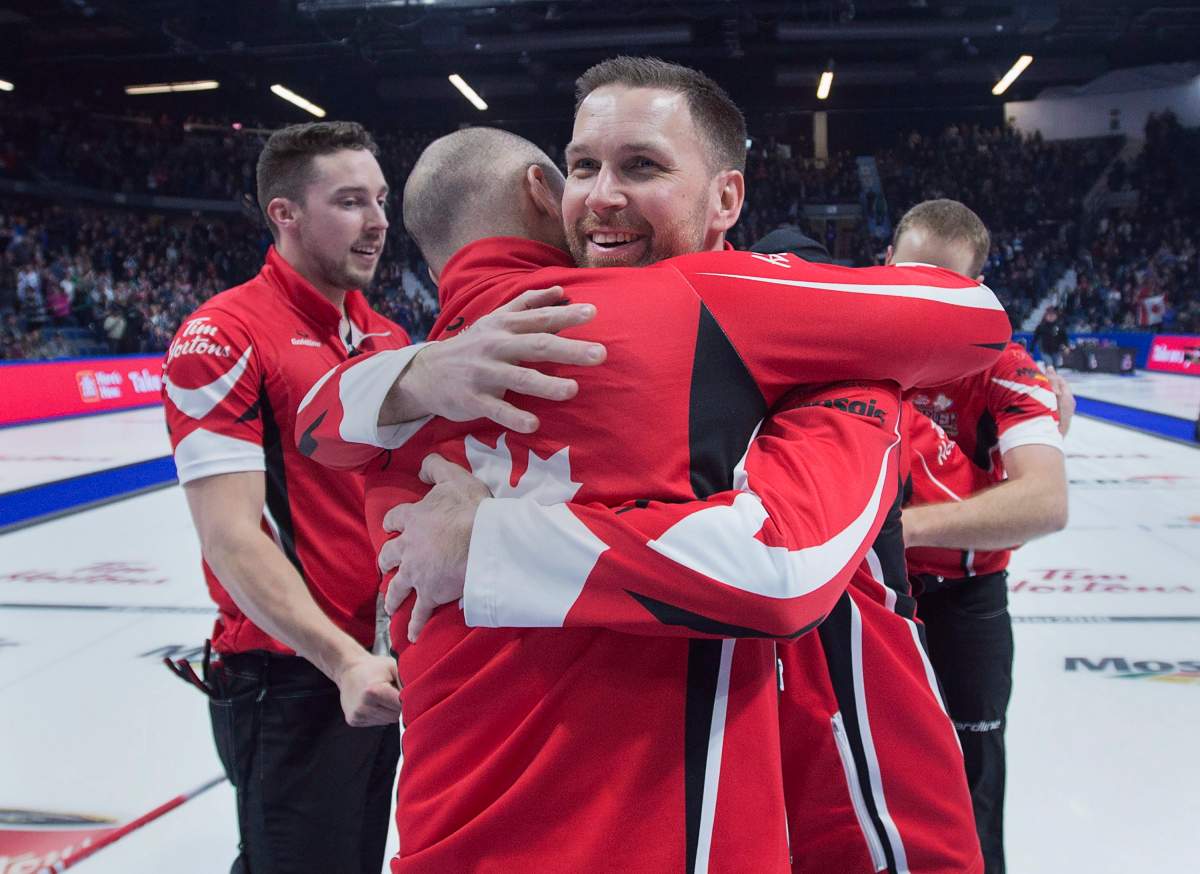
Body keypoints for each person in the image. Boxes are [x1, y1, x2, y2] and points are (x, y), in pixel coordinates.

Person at [299, 59, 1005, 873]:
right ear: (545, 189)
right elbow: (975, 322)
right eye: (585, 166)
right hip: (739, 823)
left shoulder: (402, 397)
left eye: (642, 166)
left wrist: (486, 533)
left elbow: (313, 424)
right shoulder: (490, 355)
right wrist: (417, 373)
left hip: (460, 833)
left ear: (726, 199)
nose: (601, 195)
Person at [162, 120, 605, 873]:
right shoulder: (224, 334)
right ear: (284, 215)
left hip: (377, 671)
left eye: (380, 200)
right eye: (349, 202)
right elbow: (231, 535)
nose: (376, 224)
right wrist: (341, 662)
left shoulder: (387, 338)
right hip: (295, 676)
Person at [887, 199, 1070, 874]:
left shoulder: (1006, 367)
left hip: (967, 600)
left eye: (947, 287)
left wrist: (900, 531)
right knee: (864, 771)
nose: (923, 302)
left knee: (973, 786)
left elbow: (1047, 501)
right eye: (910, 280)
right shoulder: (848, 349)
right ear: (885, 267)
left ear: (977, 289)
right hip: (874, 600)